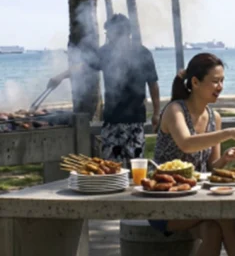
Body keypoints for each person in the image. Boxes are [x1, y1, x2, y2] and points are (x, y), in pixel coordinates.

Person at [150, 53, 235, 256]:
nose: (220, 87)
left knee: (212, 229)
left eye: (222, 81)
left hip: (196, 201)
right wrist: (229, 133)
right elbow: (186, 144)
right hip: (164, 202)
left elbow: (211, 169)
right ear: (195, 82)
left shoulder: (213, 117)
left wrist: (227, 159)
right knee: (222, 213)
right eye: (215, 81)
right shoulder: (174, 110)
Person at [47, 14, 159, 165]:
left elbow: (153, 84)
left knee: (136, 167)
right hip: (112, 120)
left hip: (135, 121)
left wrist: (157, 113)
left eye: (109, 33)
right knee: (111, 168)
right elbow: (83, 67)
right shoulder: (106, 52)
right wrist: (60, 76)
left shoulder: (143, 54)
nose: (109, 37)